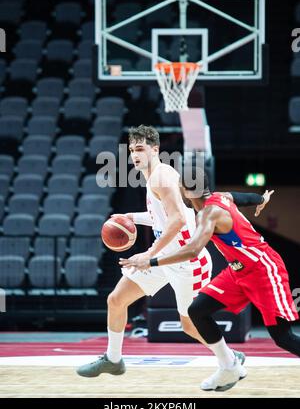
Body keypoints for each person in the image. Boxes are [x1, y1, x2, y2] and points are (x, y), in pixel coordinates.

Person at [77, 126, 272, 384]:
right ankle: (113, 360)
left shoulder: (161, 176)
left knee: (190, 324)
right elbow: (163, 220)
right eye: (131, 150)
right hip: (165, 256)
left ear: (154, 149)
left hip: (188, 261)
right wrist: (130, 218)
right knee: (116, 300)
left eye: (140, 149)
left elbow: (178, 220)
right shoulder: (153, 177)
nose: (134, 155)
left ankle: (229, 358)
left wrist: (149, 254)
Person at [120, 169, 299, 392]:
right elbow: (241, 197)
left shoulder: (208, 213)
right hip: (238, 271)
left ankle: (230, 365)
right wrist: (261, 199)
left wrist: (151, 261)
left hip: (263, 269)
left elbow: (193, 250)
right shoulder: (219, 196)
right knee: (197, 310)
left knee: (283, 337)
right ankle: (229, 366)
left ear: (183, 190)